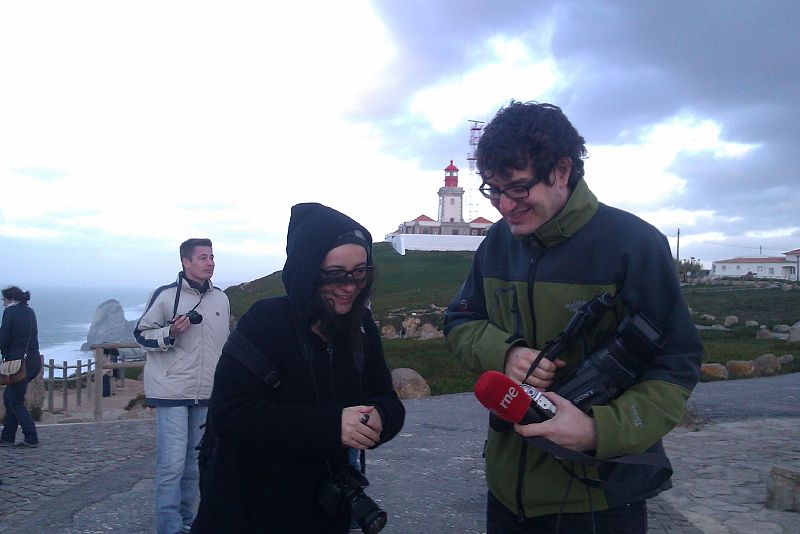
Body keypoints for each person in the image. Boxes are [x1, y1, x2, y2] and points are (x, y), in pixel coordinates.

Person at [444, 101, 703, 533]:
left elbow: (676, 362)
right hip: (507, 491)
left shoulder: (634, 244)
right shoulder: (496, 241)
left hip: (599, 499)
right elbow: (459, 320)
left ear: (561, 171)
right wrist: (505, 354)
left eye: (518, 188)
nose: (505, 206)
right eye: (493, 190)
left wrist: (598, 430)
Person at [191, 203, 405, 534]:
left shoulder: (360, 325)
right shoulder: (264, 322)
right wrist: (331, 426)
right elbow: (230, 415)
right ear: (306, 271)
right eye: (335, 274)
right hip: (249, 512)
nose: (350, 285)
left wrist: (379, 419)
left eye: (360, 271)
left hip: (325, 513)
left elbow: (387, 399)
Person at [135, 238, 231, 534]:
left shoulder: (222, 299)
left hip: (207, 392)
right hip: (171, 391)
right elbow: (141, 334)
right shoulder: (165, 296)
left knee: (195, 463)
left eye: (212, 256)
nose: (210, 262)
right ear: (185, 262)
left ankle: (186, 521)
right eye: (202, 257)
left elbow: (225, 344)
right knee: (172, 465)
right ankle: (169, 527)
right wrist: (170, 332)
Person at [0, 286, 42, 449]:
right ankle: (7, 437)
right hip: (32, 360)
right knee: (9, 398)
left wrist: (4, 354)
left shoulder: (10, 312)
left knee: (15, 401)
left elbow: (4, 337)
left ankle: (31, 437)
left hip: (18, 364)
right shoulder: (29, 312)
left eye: (3, 299)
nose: (3, 303)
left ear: (9, 299)